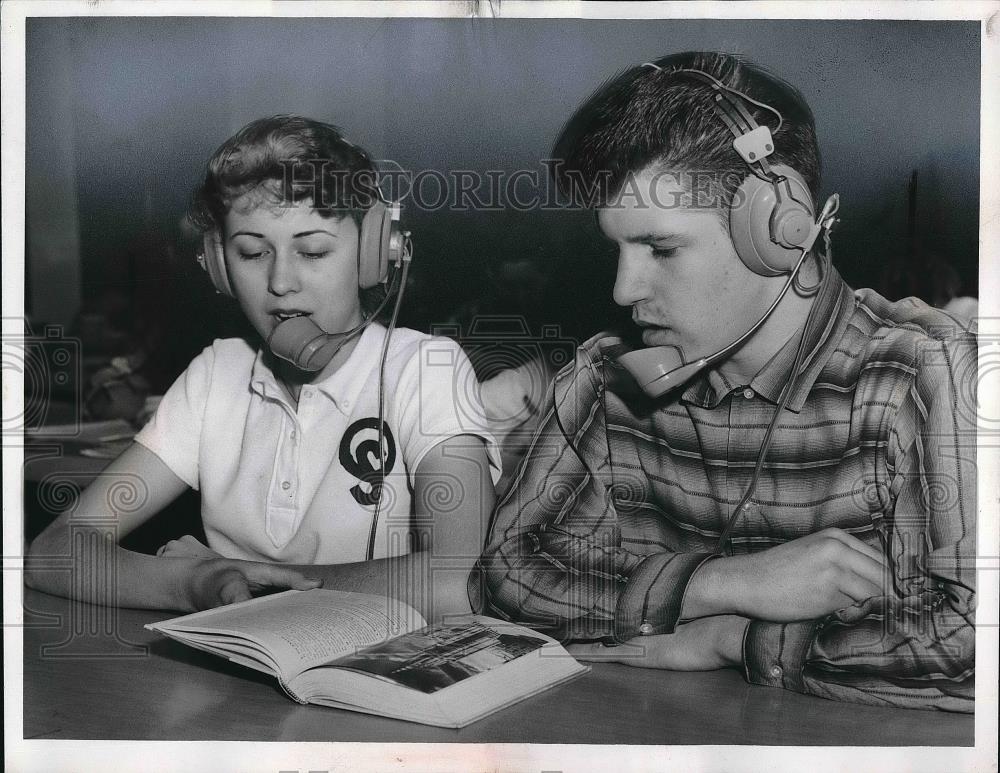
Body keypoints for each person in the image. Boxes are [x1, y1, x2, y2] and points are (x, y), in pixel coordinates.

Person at [471, 52, 975, 711]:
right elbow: (508, 577)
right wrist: (722, 584)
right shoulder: (609, 378)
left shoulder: (928, 371)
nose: (624, 289)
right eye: (616, 249)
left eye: (661, 248)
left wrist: (733, 640)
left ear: (777, 226)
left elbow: (970, 637)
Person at [27, 116, 500, 618]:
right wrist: (197, 582)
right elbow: (54, 554)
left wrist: (256, 583)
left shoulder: (425, 368)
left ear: (373, 256)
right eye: (252, 252)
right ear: (219, 266)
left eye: (312, 250)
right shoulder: (215, 376)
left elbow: (463, 582)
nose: (280, 282)